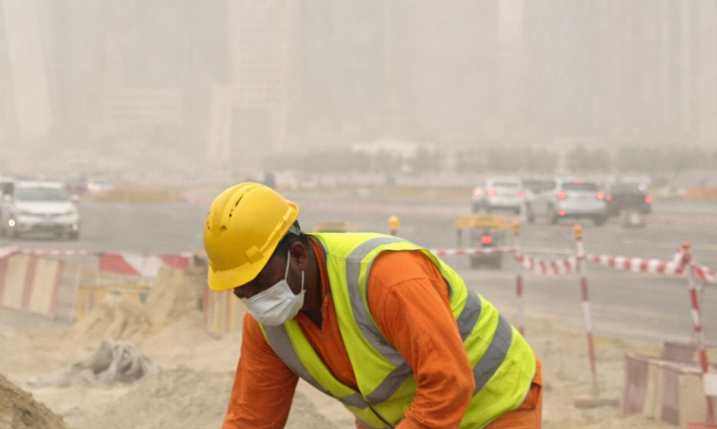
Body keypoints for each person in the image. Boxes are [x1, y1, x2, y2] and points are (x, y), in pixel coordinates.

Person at [206, 183, 541, 429]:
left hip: (496, 406)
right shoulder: (268, 328)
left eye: (260, 282)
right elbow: (251, 420)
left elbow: (448, 383)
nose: (252, 297)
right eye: (240, 290)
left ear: (297, 255)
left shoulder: (385, 278)